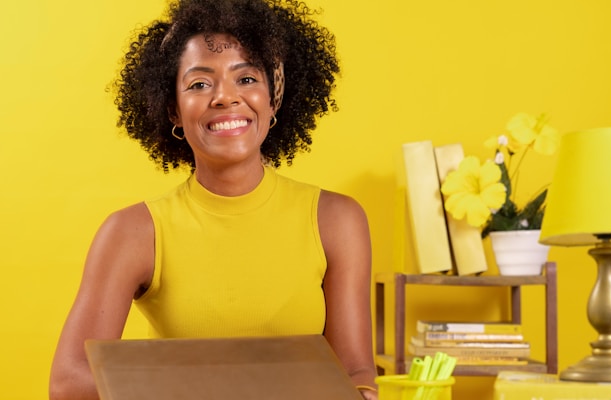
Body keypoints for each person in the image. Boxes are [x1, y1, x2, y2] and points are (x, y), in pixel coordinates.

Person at [49, 0, 377, 399]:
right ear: (173, 109)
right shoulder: (134, 232)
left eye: (246, 79)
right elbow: (69, 383)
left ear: (273, 99)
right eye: (199, 84)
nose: (224, 97)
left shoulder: (336, 221)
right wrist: (225, 385)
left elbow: (355, 370)